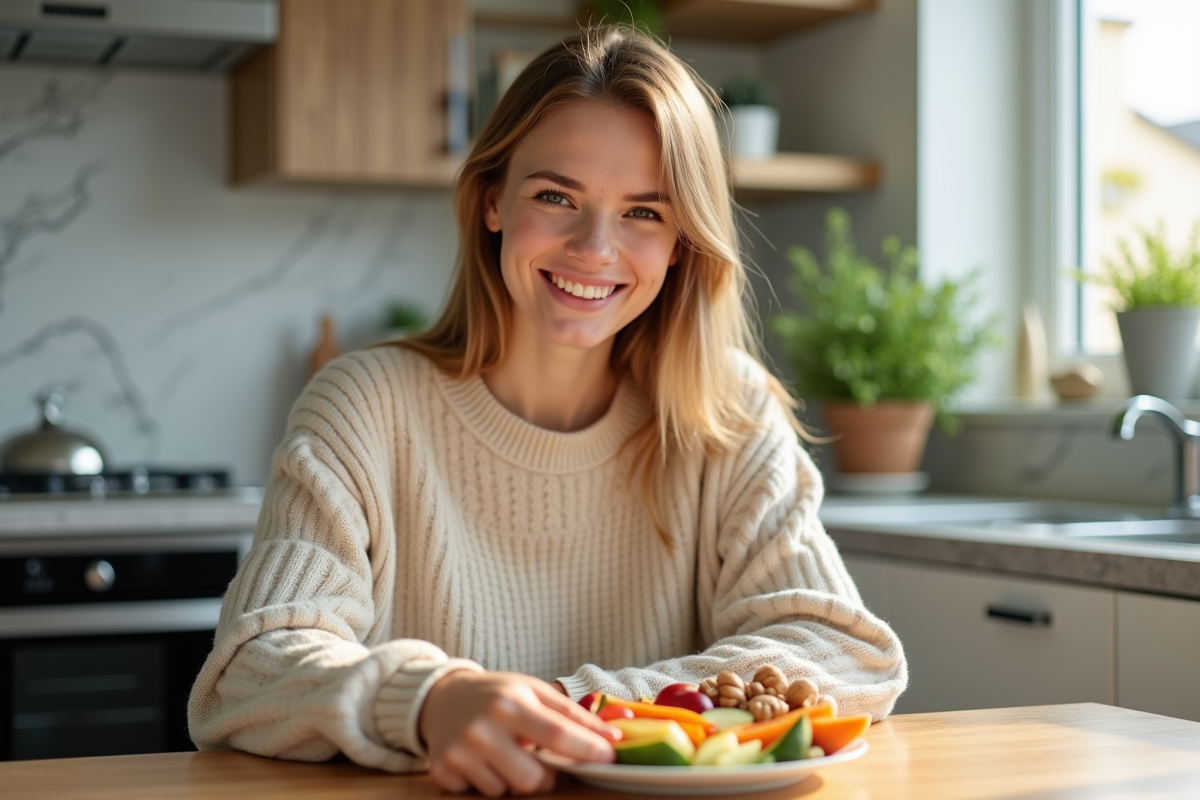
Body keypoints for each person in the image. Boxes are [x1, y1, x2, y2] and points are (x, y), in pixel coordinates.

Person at [188, 24, 907, 797]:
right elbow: (249, 672)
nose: (595, 247)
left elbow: (844, 652)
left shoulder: (729, 414)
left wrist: (564, 709)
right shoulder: (363, 406)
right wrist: (429, 701)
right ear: (492, 201)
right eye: (556, 196)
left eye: (644, 213)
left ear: (681, 245)